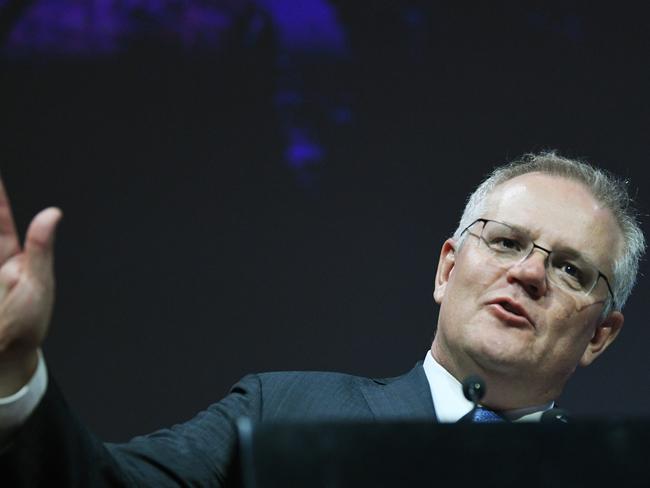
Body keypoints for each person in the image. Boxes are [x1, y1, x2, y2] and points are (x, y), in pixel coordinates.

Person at [0, 151, 645, 485]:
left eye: (569, 269)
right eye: (505, 241)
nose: (528, 273)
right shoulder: (279, 412)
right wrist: (16, 373)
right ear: (447, 269)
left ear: (599, 335)